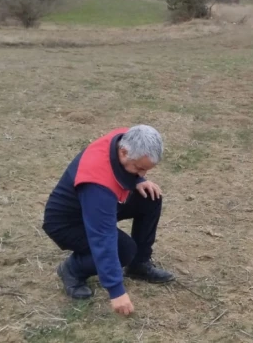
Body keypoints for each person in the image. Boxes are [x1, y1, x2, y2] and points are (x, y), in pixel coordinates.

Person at [42, 125, 174, 316]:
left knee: (150, 197)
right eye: (139, 168)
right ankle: (72, 269)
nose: (143, 174)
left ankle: (139, 265)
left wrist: (137, 180)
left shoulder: (124, 138)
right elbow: (102, 237)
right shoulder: (97, 184)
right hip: (66, 223)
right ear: (123, 152)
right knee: (123, 250)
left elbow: (124, 171)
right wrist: (116, 290)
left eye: (146, 169)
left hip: (92, 206)